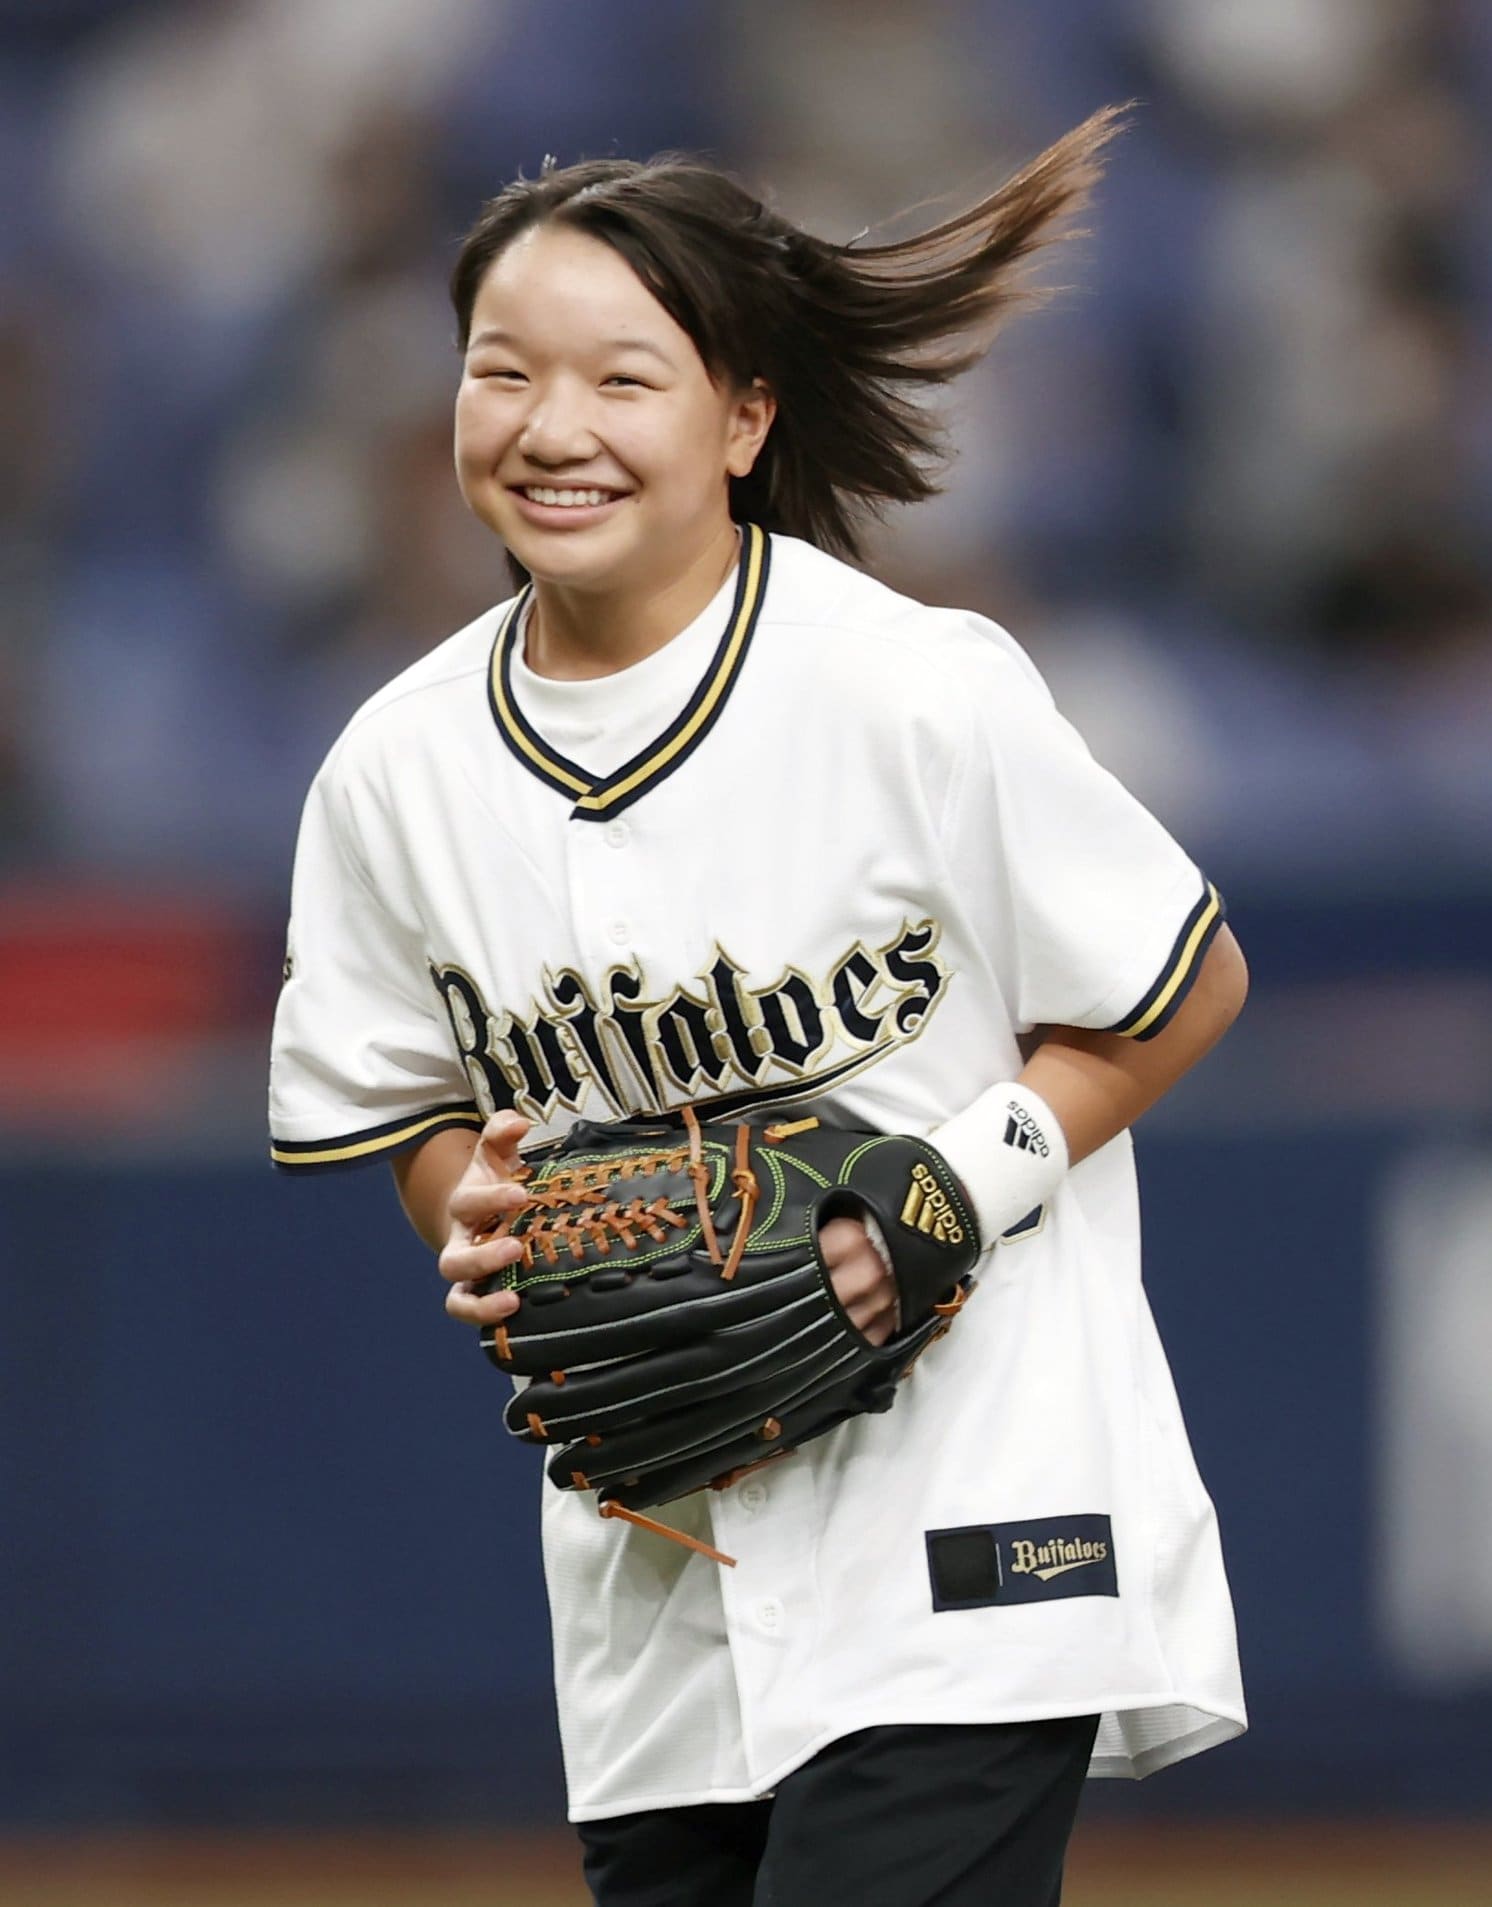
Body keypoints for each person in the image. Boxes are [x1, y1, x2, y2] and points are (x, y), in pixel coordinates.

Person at [269, 104, 1248, 1907]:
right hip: (659, 1561)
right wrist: (470, 1211)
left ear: (743, 414)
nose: (552, 428)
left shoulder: (910, 690)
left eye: (623, 379)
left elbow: (1174, 985)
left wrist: (952, 1195)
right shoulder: (393, 767)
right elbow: (400, 1097)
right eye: (504, 372)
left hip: (966, 1500)